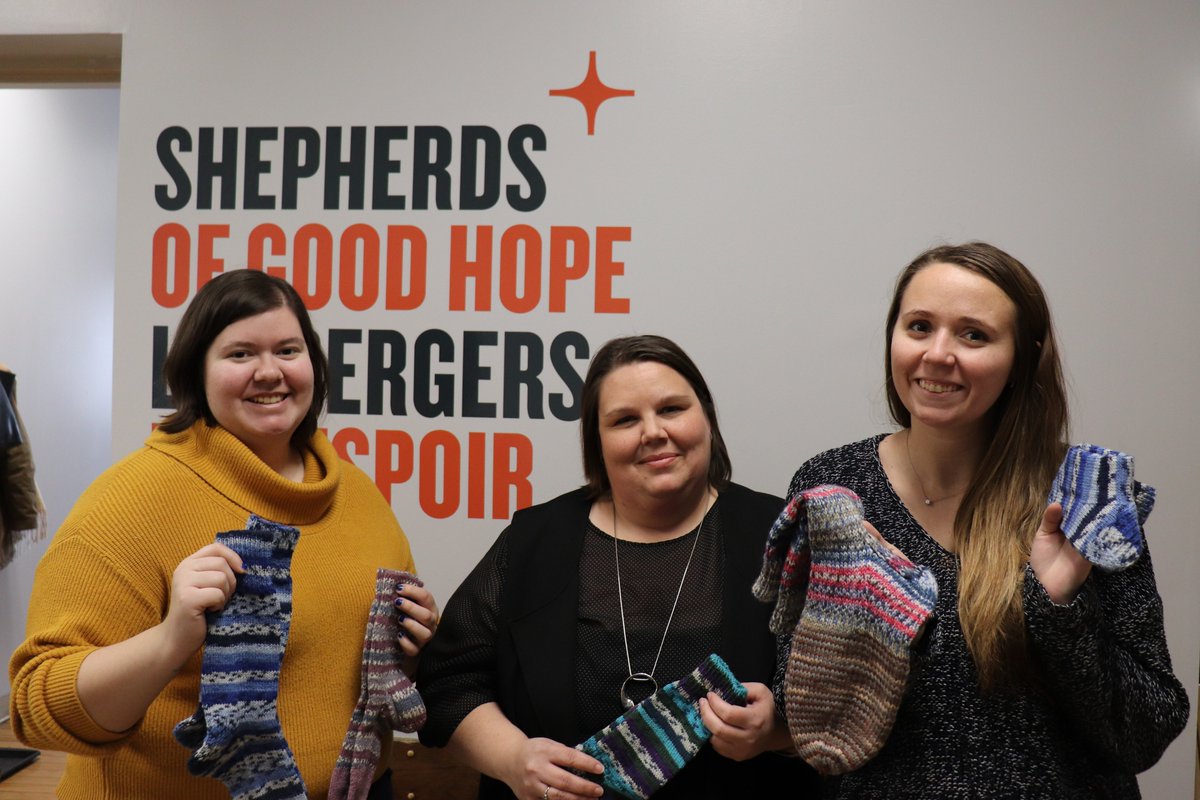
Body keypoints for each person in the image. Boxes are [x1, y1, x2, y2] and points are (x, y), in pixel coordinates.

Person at [778, 242, 1188, 798]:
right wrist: (869, 614)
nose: (937, 354)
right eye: (919, 326)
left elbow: (1145, 734)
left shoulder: (1085, 493)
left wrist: (1059, 611)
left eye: (973, 335)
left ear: (1022, 359)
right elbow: (806, 717)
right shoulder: (834, 486)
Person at [8, 269, 439, 799]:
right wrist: (169, 641)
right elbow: (40, 709)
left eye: (288, 350)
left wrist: (411, 646)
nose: (269, 372)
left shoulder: (357, 494)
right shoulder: (131, 499)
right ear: (197, 371)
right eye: (240, 354)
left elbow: (349, 672)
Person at [416, 334, 820, 800]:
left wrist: (776, 734)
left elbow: (851, 701)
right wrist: (512, 758)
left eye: (671, 409)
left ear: (707, 418)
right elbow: (448, 682)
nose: (653, 432)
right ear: (597, 442)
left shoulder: (779, 535)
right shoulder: (535, 541)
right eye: (625, 419)